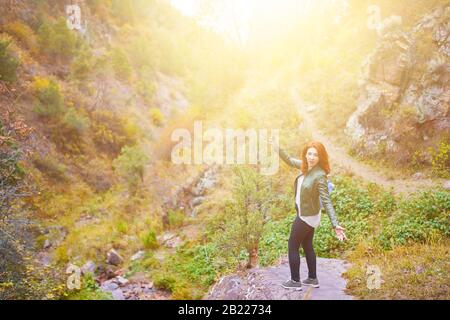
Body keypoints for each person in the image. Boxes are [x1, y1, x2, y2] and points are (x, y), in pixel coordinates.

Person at [270, 138, 347, 291]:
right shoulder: (306, 166)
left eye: (315, 155)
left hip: (306, 217)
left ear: (320, 158)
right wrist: (276, 147)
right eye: (309, 153)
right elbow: (290, 160)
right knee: (307, 245)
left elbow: (326, 201)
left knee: (292, 245)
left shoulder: (320, 176)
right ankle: (312, 278)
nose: (311, 157)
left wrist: (335, 224)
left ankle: (295, 281)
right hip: (308, 214)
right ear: (306, 154)